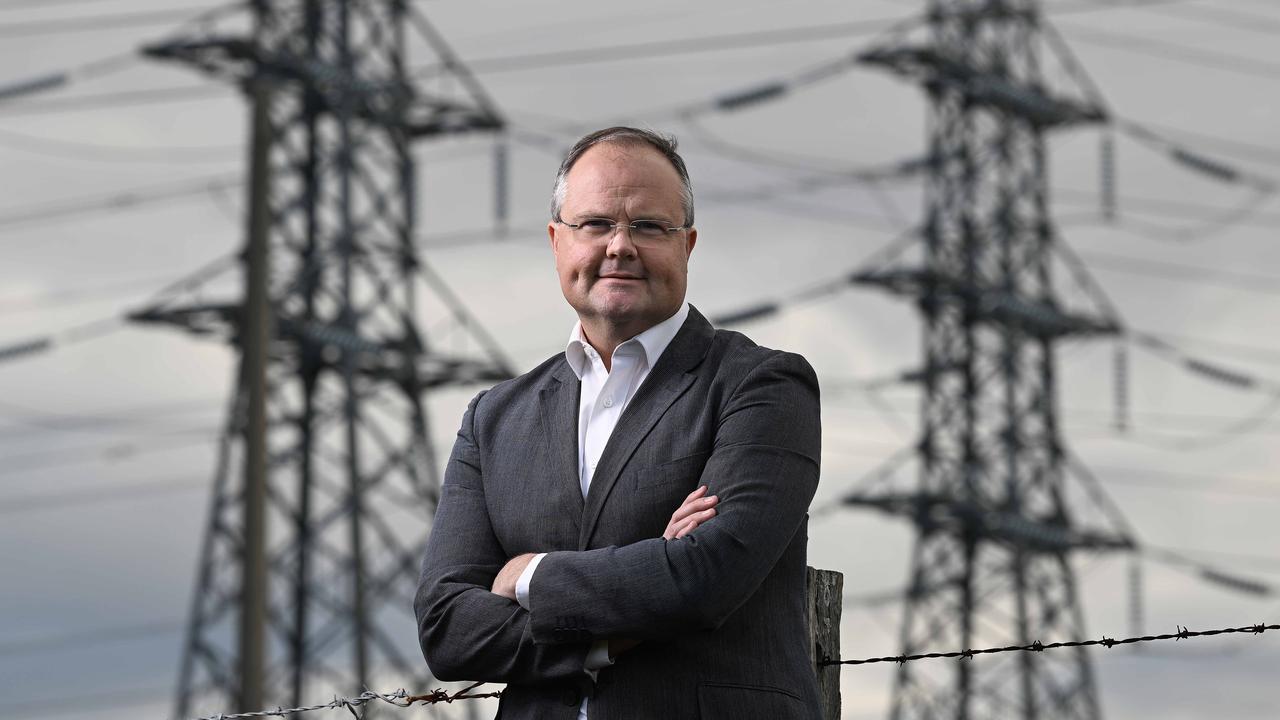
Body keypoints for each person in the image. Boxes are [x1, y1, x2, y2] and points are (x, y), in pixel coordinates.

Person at [415, 126, 823, 719]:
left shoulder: (761, 385)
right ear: (557, 242)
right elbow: (447, 627)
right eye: (596, 224)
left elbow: (707, 578)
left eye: (649, 226)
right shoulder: (495, 419)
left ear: (688, 245)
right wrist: (608, 635)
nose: (621, 246)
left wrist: (529, 575)